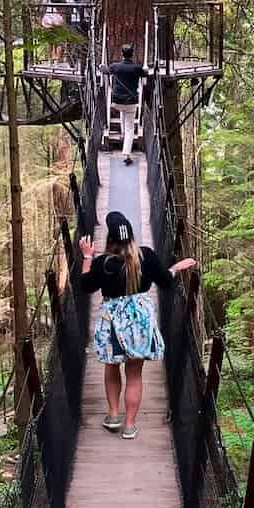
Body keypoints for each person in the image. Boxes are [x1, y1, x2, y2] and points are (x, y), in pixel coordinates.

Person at [80, 210, 196, 439]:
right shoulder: (146, 256)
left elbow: (86, 286)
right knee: (134, 373)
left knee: (112, 367)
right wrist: (176, 267)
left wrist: (87, 257)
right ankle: (130, 425)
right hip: (140, 323)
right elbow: (165, 281)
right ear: (131, 236)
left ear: (109, 239)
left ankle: (114, 415)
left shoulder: (103, 263)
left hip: (112, 323)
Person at [104, 43, 147, 165]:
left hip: (116, 102)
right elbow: (146, 73)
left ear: (122, 54)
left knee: (123, 113)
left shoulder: (114, 66)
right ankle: (126, 154)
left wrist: (102, 67)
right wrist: (146, 69)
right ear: (132, 54)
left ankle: (123, 136)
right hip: (130, 103)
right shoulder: (137, 68)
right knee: (130, 128)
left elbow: (106, 71)